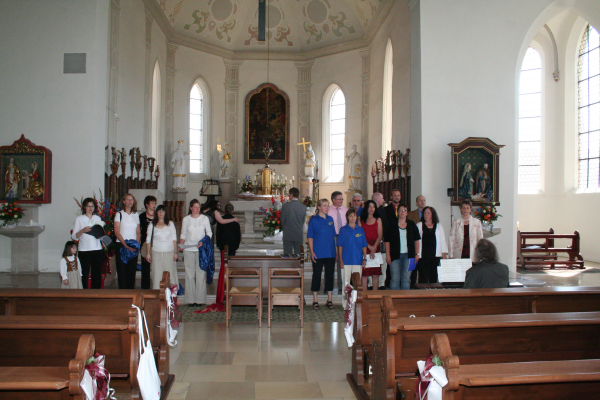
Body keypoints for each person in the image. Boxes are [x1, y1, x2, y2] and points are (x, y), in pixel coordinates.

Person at [180, 199, 213, 306]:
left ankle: (200, 300)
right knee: (189, 275)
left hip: (201, 250)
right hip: (188, 250)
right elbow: (183, 234)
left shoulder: (204, 218)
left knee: (201, 275)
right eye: (195, 207)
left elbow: (209, 233)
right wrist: (181, 245)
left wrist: (203, 241)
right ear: (190, 208)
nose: (197, 209)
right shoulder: (186, 219)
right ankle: (190, 299)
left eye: (198, 207)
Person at [307, 199, 337, 310]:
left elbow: (333, 236)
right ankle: (315, 300)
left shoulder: (330, 219)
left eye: (328, 206)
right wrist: (312, 252)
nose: (327, 208)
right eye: (324, 206)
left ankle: (329, 299)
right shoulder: (313, 220)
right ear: (319, 207)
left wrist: (335, 252)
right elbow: (310, 237)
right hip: (318, 253)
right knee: (317, 276)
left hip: (330, 253)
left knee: (330, 276)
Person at [384, 204, 421, 290]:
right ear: (397, 212)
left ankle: (405, 298)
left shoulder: (412, 224)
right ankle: (394, 297)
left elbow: (417, 240)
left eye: (405, 210)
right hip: (394, 256)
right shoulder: (392, 225)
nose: (403, 212)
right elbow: (387, 241)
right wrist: (388, 255)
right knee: (395, 279)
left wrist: (417, 254)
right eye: (401, 210)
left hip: (410, 257)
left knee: (406, 279)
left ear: (407, 213)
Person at [72, 197, 106, 289]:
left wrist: (100, 233)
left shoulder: (97, 218)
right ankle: (84, 293)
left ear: (95, 207)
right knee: (84, 273)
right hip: (84, 250)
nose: (90, 208)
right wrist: (83, 230)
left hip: (97, 249)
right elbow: (74, 236)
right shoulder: (79, 219)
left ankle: (96, 293)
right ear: (84, 207)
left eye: (92, 206)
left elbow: (101, 234)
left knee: (97, 274)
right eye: (88, 206)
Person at [338, 208, 367, 307]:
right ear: (347, 217)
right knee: (346, 283)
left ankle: (355, 304)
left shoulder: (361, 230)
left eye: (354, 216)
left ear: (356, 217)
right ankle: (345, 304)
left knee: (357, 284)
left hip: (358, 260)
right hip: (346, 261)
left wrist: (365, 258)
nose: (352, 218)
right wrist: (341, 260)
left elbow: (364, 245)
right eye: (350, 216)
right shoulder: (343, 230)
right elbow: (340, 246)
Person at [146, 205, 178, 289]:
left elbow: (174, 239)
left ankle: (170, 295)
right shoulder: (152, 224)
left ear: (165, 212)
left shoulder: (170, 224)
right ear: (156, 213)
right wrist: (148, 253)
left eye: (163, 211)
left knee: (170, 275)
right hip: (156, 253)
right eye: (159, 211)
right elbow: (148, 240)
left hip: (169, 253)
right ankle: (157, 294)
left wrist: (175, 253)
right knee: (157, 275)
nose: (161, 213)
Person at [114, 193, 141, 289]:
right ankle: (122, 294)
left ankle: (131, 293)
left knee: (131, 272)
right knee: (122, 272)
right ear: (124, 202)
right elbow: (117, 231)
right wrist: (126, 245)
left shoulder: (136, 215)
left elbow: (138, 232)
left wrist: (136, 245)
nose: (130, 201)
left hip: (133, 246)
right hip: (122, 245)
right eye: (128, 199)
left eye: (131, 199)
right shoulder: (119, 214)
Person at [416, 206, 448, 284]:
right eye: (425, 213)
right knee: (423, 277)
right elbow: (415, 241)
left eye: (428, 213)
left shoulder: (439, 226)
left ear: (432, 214)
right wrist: (416, 254)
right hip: (422, 256)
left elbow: (443, 240)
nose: (426, 215)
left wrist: (444, 254)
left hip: (435, 256)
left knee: (433, 277)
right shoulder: (419, 225)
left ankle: (432, 291)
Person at [360, 200, 383, 289]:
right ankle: (364, 296)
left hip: (376, 249)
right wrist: (369, 247)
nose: (371, 209)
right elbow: (361, 236)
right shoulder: (361, 221)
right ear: (366, 208)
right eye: (369, 206)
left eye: (373, 207)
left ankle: (375, 296)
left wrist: (374, 247)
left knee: (375, 274)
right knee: (364, 275)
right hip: (364, 249)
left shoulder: (378, 220)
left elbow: (380, 236)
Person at [328, 191, 348, 293]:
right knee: (331, 261)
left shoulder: (346, 210)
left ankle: (341, 286)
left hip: (343, 237)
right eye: (339, 199)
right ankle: (329, 286)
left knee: (341, 261)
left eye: (342, 199)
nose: (341, 201)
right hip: (331, 237)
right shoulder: (328, 210)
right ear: (333, 200)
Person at [281, 187, 306, 257]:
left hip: (288, 233)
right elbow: (303, 221)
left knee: (287, 254)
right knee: (298, 255)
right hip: (298, 233)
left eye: (289, 194)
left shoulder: (285, 206)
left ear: (291, 195)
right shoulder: (303, 207)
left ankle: (288, 263)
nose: (289, 196)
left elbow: (282, 220)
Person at [139, 195, 157, 289]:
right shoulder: (141, 216)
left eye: (155, 203)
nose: (154, 205)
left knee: (156, 268)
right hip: (145, 245)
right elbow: (138, 231)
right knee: (145, 268)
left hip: (157, 244)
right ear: (147, 204)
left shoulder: (158, 215)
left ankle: (156, 288)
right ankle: (145, 289)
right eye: (152, 203)